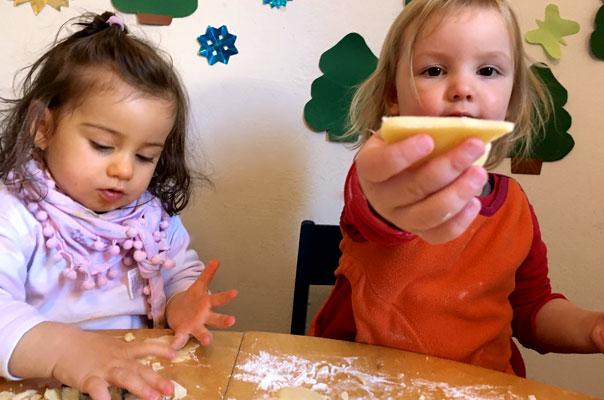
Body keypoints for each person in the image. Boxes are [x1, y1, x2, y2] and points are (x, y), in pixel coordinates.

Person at [309, 0, 604, 377]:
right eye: (434, 70)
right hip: (367, 380)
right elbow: (373, 209)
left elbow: (531, 310)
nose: (463, 88)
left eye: (488, 70)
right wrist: (383, 199)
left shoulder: (514, 206)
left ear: (511, 100)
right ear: (393, 97)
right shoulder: (381, 179)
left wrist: (592, 329)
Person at [0, 11, 237, 400]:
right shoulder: (16, 213)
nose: (124, 169)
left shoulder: (152, 218)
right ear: (42, 126)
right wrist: (65, 351)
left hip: (132, 381)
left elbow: (178, 272)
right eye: (102, 146)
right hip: (36, 387)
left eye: (146, 157)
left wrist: (180, 303)